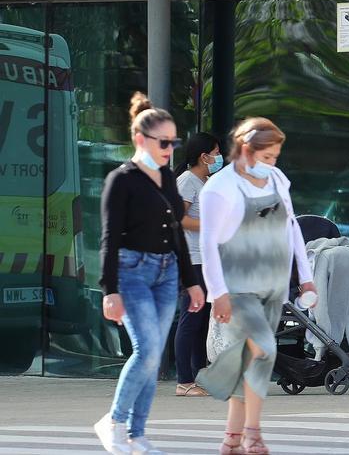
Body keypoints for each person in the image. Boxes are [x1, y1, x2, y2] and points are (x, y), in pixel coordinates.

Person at [195, 117, 316, 454]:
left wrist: (305, 277)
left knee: (250, 357)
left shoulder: (277, 179)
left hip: (274, 284)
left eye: (276, 157)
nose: (272, 164)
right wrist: (216, 293)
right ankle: (252, 433)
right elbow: (207, 244)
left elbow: (292, 227)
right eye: (267, 157)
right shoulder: (218, 188)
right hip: (236, 286)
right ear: (246, 150)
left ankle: (231, 438)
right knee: (265, 348)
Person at [94, 93, 206, 455]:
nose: (170, 148)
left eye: (173, 142)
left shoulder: (166, 179)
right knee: (146, 351)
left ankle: (136, 435)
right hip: (132, 272)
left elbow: (175, 231)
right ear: (140, 140)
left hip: (166, 271)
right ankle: (114, 421)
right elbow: (109, 239)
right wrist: (109, 290)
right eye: (163, 142)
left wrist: (191, 281)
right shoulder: (121, 180)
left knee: (154, 355)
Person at [173, 132, 221, 398]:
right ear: (204, 156)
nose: (219, 157)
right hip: (191, 259)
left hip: (207, 259)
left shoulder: (207, 181)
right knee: (191, 318)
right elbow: (180, 219)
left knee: (203, 319)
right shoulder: (187, 181)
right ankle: (184, 380)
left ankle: (199, 374)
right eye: (216, 152)